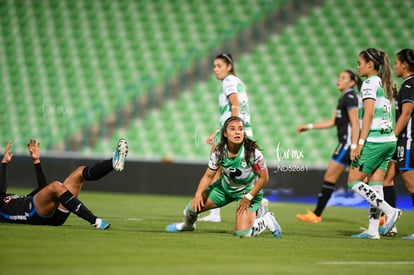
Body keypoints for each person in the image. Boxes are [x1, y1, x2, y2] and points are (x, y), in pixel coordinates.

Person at [166, 116, 281, 238]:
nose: (237, 132)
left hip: (247, 192)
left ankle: (267, 220)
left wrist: (248, 197)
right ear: (225, 133)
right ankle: (187, 226)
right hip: (223, 189)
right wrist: (198, 193)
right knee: (190, 209)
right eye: (233, 129)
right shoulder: (219, 152)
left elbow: (264, 178)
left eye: (240, 129)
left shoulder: (252, 152)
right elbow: (208, 176)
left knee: (243, 233)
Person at [0, 138, 128, 229]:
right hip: (32, 215)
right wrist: (4, 164)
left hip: (48, 213)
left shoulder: (13, 199)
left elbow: (42, 189)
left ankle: (113, 162)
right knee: (56, 186)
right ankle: (95, 221)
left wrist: (37, 162)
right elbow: (1, 192)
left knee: (79, 172)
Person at [348, 48, 401, 239]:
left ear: (370, 65)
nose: (357, 66)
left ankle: (390, 211)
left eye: (359, 63)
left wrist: (360, 143)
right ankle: (373, 230)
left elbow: (369, 114)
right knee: (376, 183)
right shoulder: (385, 82)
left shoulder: (369, 83)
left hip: (376, 139)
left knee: (353, 181)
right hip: (389, 140)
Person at [296, 69, 362, 223]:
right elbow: (332, 121)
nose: (339, 80)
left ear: (352, 82)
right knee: (363, 180)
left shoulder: (350, 97)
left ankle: (316, 215)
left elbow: (355, 122)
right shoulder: (344, 97)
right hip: (347, 143)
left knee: (332, 177)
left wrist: (354, 145)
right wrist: (310, 126)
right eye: (339, 77)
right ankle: (384, 214)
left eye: (343, 78)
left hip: (347, 144)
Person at [199, 53, 254, 222]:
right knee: (239, 171)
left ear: (229, 66)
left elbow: (235, 105)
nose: (215, 69)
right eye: (214, 66)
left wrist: (228, 131)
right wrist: (218, 131)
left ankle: (215, 213)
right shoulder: (237, 82)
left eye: (219, 66)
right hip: (241, 130)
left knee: (215, 168)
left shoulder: (228, 81)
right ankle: (258, 206)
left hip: (231, 133)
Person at [382, 48, 414, 239]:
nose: (394, 66)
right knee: (386, 179)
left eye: (396, 62)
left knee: (411, 185)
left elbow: (407, 113)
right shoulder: (406, 85)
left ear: (405, 65)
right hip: (402, 139)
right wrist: (396, 95)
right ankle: (390, 223)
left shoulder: (410, 84)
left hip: (407, 139)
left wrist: (393, 136)